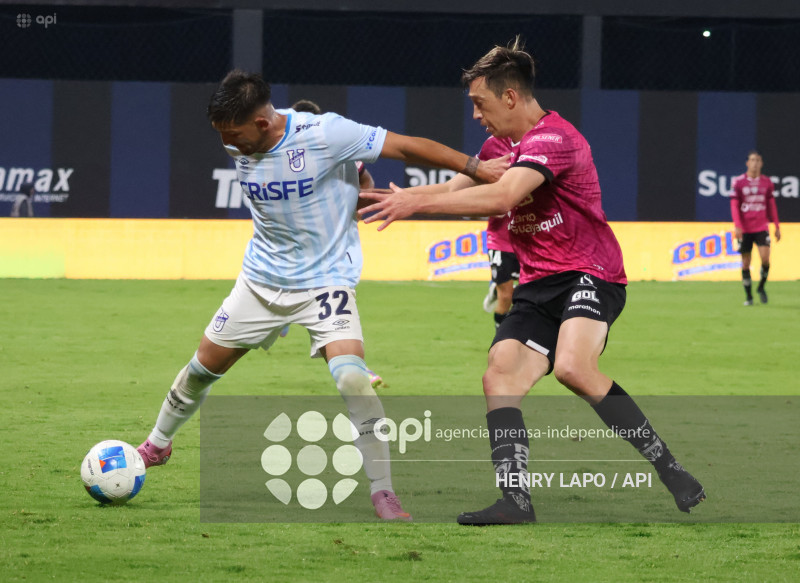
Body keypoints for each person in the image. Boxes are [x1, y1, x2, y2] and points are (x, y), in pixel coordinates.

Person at [136, 69, 507, 521]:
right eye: (221, 136)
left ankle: (383, 493)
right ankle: (157, 445)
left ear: (262, 122)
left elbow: (407, 146)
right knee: (200, 371)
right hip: (260, 281)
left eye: (234, 135)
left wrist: (478, 168)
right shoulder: (238, 138)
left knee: (352, 378)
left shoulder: (327, 133)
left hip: (326, 282)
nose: (229, 146)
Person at [360, 39, 705, 524]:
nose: (477, 116)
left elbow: (502, 197)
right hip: (540, 284)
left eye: (480, 104)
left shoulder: (554, 138)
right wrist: (387, 199)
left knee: (572, 367)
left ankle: (670, 469)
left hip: (592, 272)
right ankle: (515, 501)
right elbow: (455, 188)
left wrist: (415, 204)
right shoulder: (497, 146)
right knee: (499, 373)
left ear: (509, 97)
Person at [287, 98, 386, 389]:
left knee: (326, 308)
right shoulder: (281, 157)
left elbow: (365, 180)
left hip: (329, 252)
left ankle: (356, 369)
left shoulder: (341, 154)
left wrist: (354, 208)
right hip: (290, 251)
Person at [731, 151, 781, 306]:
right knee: (746, 263)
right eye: (752, 160)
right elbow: (734, 206)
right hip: (745, 229)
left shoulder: (767, 182)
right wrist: (737, 225)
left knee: (765, 259)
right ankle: (749, 297)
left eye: (757, 160)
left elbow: (771, 206)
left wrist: (777, 225)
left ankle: (761, 287)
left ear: (761, 163)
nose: (755, 163)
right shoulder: (738, 182)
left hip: (761, 226)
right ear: (747, 163)